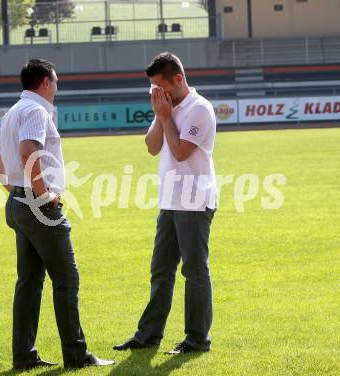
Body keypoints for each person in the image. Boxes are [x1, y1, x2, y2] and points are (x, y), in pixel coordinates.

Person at [0, 59, 115, 370]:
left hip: (18, 204)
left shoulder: (13, 111)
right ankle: (76, 355)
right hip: (38, 205)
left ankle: (24, 356)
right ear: (45, 82)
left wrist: (15, 191)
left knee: (29, 282)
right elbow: (29, 150)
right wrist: (42, 195)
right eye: (55, 81)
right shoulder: (36, 111)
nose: (57, 87)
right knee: (67, 279)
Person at [114, 52, 218, 355]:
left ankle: (197, 339)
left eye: (160, 88)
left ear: (178, 79)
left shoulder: (200, 109)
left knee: (194, 271)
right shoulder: (167, 107)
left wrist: (164, 116)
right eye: (152, 90)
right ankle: (148, 335)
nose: (156, 95)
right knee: (161, 270)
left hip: (195, 202)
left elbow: (180, 151)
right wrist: (162, 114)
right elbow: (152, 146)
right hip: (171, 201)